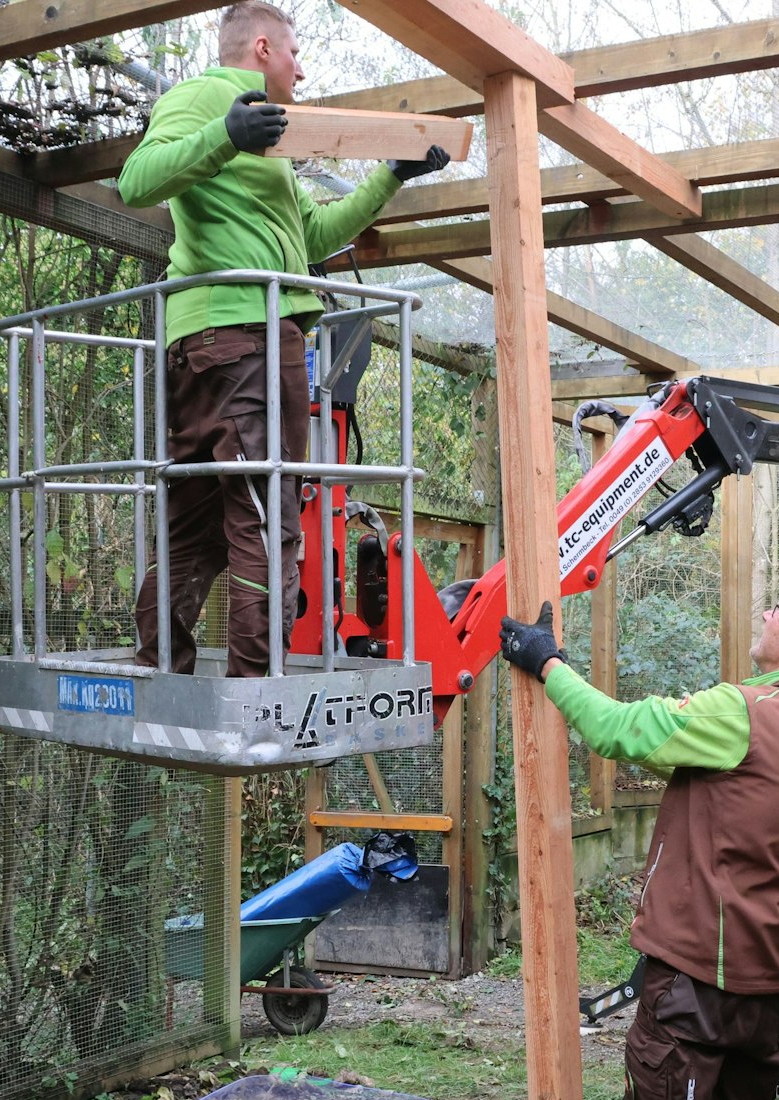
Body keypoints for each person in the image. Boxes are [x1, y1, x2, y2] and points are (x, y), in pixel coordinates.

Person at [116, 1, 449, 675]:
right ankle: (254, 689)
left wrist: (390, 174)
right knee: (267, 517)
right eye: (295, 54)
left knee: (196, 522)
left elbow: (313, 238)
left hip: (213, 344)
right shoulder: (204, 98)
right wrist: (226, 134)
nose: (301, 71)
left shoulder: (273, 140)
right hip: (249, 338)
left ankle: (161, 669)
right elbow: (135, 182)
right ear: (263, 48)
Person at [498, 577, 779, 1100]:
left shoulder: (743, 712)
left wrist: (547, 663)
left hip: (697, 988)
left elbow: (614, 729)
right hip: (768, 991)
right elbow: (717, 781)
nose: (766, 615)